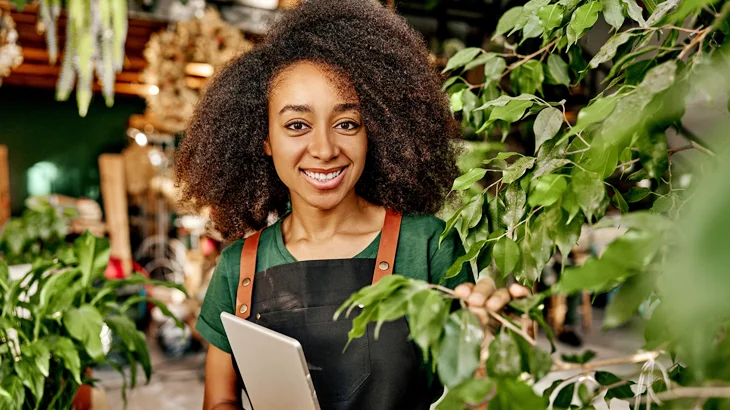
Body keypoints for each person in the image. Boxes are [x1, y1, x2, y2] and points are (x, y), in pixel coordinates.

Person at [175, 1, 529, 409]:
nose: (324, 149)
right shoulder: (239, 267)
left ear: (375, 131)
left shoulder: (426, 245)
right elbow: (219, 401)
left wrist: (494, 345)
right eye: (296, 125)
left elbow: (477, 395)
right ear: (265, 140)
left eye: (347, 123)